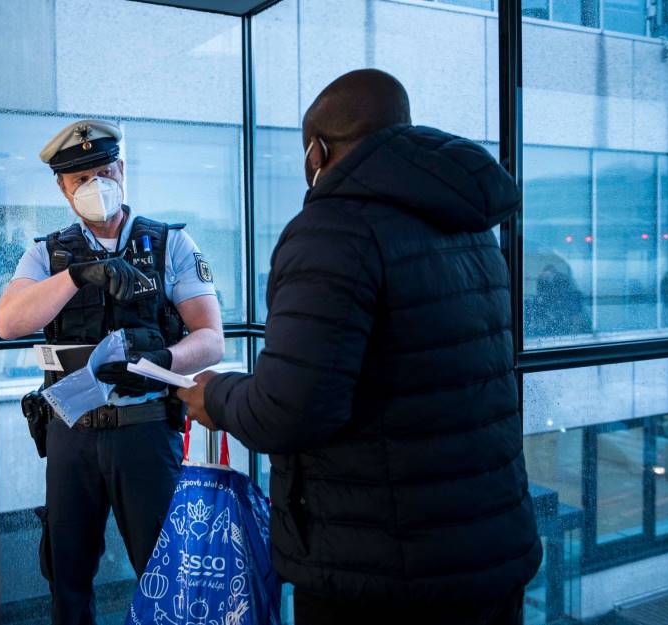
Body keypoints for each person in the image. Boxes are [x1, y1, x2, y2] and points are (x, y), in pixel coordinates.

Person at [178, 70, 542, 625]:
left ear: (317, 151)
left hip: (380, 568)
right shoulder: (468, 226)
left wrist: (216, 396)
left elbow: (290, 409)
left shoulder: (332, 229)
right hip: (487, 546)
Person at [0, 119, 224, 624]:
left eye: (103, 170)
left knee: (163, 571)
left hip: (144, 432)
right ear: (62, 188)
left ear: (121, 170)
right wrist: (76, 276)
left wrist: (163, 361)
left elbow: (211, 339)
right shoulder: (47, 253)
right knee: (67, 574)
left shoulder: (170, 245)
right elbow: (9, 322)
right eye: (80, 179)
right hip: (70, 435)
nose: (95, 185)